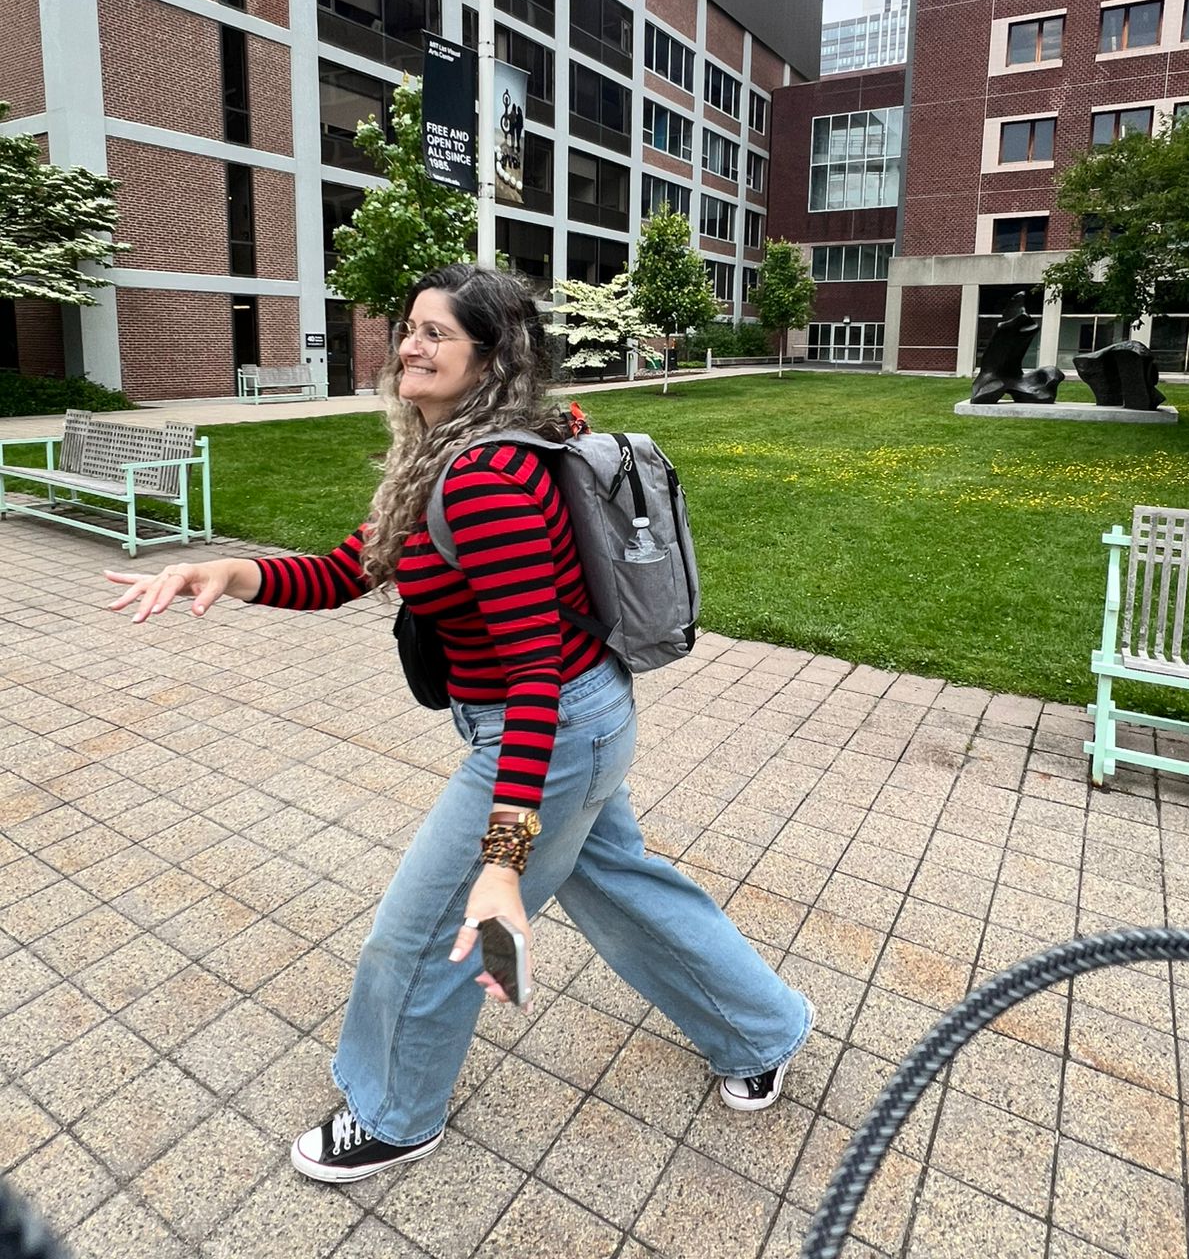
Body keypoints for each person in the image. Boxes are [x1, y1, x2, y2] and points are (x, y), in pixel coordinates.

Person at [105, 264, 813, 1184]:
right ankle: (761, 1031)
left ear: (491, 356)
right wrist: (230, 573)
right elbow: (347, 571)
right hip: (576, 719)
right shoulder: (453, 456)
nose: (410, 345)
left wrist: (503, 860)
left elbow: (534, 679)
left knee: (430, 930)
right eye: (408, 327)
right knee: (623, 887)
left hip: (548, 731)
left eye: (436, 333)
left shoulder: (485, 481)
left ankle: (395, 1113)